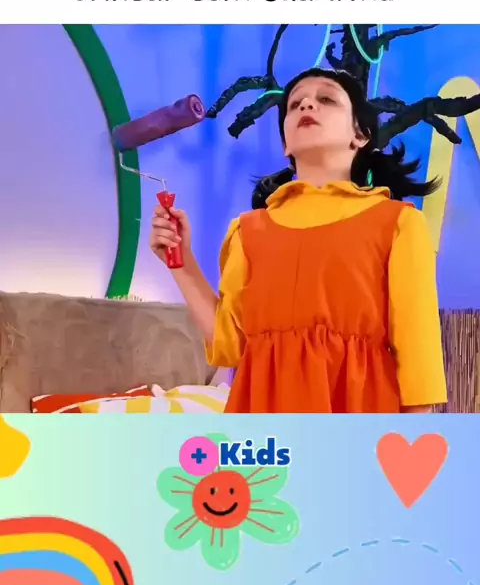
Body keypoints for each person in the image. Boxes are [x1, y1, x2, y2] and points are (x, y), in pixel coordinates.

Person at [150, 68, 448, 413]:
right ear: (285, 145)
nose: (306, 105)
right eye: (294, 105)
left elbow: (419, 360)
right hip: (263, 425)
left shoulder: (398, 223)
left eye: (326, 99)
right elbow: (229, 346)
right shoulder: (248, 231)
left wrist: (409, 442)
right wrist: (181, 262)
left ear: (360, 135)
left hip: (359, 423)